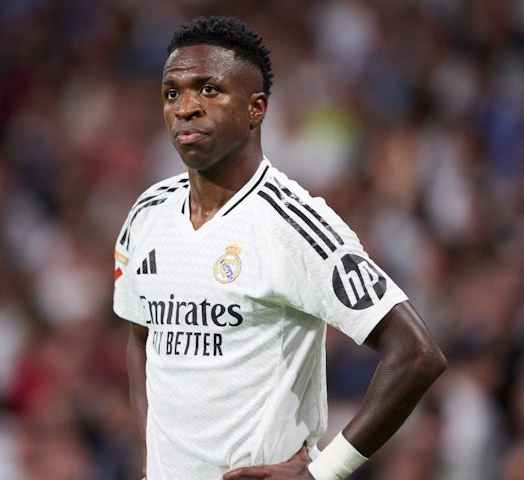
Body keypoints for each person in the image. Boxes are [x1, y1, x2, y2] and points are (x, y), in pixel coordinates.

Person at [113, 15, 446, 480]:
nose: (185, 106)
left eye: (208, 89)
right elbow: (140, 338)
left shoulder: (294, 224)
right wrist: (151, 462)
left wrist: (323, 472)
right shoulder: (145, 215)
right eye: (173, 92)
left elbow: (416, 353)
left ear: (256, 108)